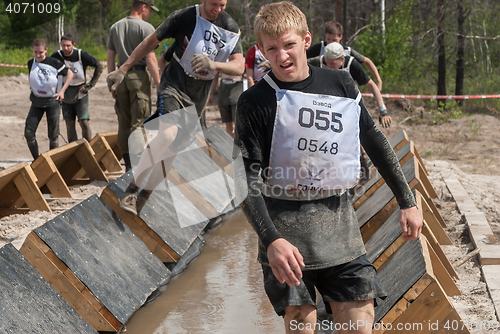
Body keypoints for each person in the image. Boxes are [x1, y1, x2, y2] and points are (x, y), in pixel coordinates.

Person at [233, 2, 422, 334]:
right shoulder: (253, 102)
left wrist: (407, 201)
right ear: (261, 50)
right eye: (272, 49)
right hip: (285, 244)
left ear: (307, 41)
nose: (281, 56)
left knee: (360, 328)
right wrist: (271, 240)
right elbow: (243, 178)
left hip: (341, 236)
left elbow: (375, 140)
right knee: (303, 328)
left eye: (289, 44)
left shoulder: (341, 85)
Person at [106, 0, 244, 216]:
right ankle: (131, 189)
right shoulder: (185, 16)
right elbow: (151, 42)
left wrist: (214, 65)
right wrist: (123, 69)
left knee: (170, 153)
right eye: (213, 4)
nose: (217, 10)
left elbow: (239, 66)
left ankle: (142, 198)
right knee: (167, 134)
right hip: (173, 85)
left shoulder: (230, 27)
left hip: (197, 98)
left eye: (223, 5)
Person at [106, 0, 161, 172]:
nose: (149, 13)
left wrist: (112, 84)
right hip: (138, 76)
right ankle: (137, 166)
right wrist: (159, 84)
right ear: (143, 7)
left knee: (123, 121)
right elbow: (151, 59)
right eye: (149, 10)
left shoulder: (115, 27)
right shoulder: (146, 28)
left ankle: (128, 164)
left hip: (120, 76)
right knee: (139, 122)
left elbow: (110, 59)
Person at [308, 42, 391, 127]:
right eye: (327, 62)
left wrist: (383, 110)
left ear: (342, 59)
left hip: (347, 105)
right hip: (325, 106)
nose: (329, 66)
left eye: (332, 64)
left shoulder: (352, 65)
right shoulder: (318, 61)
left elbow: (372, 86)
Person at [25, 38, 73, 160]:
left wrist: (62, 91)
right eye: (35, 52)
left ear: (46, 50)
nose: (38, 55)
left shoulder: (54, 62)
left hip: (52, 102)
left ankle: (53, 162)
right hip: (36, 102)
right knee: (29, 133)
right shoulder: (31, 63)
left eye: (40, 52)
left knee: (53, 134)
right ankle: (36, 161)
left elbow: (70, 74)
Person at [50, 34, 104, 142]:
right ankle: (73, 148)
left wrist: (90, 84)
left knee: (84, 121)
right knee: (69, 124)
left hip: (80, 92)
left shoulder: (80, 55)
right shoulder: (56, 56)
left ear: (73, 45)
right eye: (63, 45)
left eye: (68, 46)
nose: (65, 48)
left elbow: (99, 65)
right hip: (65, 93)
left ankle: (88, 146)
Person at [306, 20, 383, 91]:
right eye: (328, 39)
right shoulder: (319, 48)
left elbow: (367, 61)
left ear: (340, 37)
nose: (331, 43)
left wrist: (378, 81)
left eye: (334, 40)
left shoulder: (347, 51)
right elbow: (302, 58)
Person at [208, 68, 243, 136]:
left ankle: (238, 145)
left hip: (237, 88)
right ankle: (231, 144)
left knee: (237, 123)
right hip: (223, 90)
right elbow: (215, 77)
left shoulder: (241, 58)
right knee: (228, 122)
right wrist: (211, 94)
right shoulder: (222, 58)